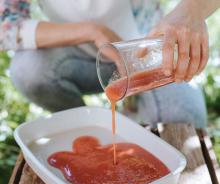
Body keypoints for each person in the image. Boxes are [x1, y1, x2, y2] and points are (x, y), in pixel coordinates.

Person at [0, 0, 219, 128]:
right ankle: (88, 128)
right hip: (76, 55)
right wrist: (92, 31)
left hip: (150, 52)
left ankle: (133, 113)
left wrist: (190, 12)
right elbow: (4, 25)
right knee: (27, 71)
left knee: (183, 120)